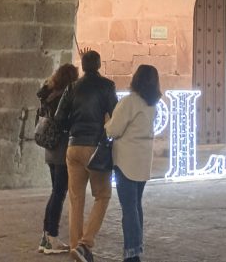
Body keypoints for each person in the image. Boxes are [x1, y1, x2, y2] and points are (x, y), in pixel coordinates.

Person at [56, 50, 119, 262]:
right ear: (99, 65)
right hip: (95, 148)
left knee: (76, 199)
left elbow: (59, 118)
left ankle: (75, 246)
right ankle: (86, 243)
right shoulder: (107, 86)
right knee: (102, 195)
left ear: (82, 67)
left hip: (73, 147)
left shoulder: (72, 88)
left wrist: (72, 129)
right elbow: (115, 115)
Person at [106, 65, 162, 262]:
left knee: (128, 208)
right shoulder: (152, 104)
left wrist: (106, 123)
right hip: (143, 161)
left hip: (126, 162)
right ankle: (136, 247)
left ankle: (132, 253)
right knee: (136, 205)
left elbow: (113, 130)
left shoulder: (129, 102)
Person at [37, 62, 79, 253]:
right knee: (58, 193)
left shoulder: (48, 94)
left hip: (50, 150)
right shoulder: (64, 97)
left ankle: (46, 237)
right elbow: (66, 121)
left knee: (56, 192)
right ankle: (51, 236)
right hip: (62, 150)